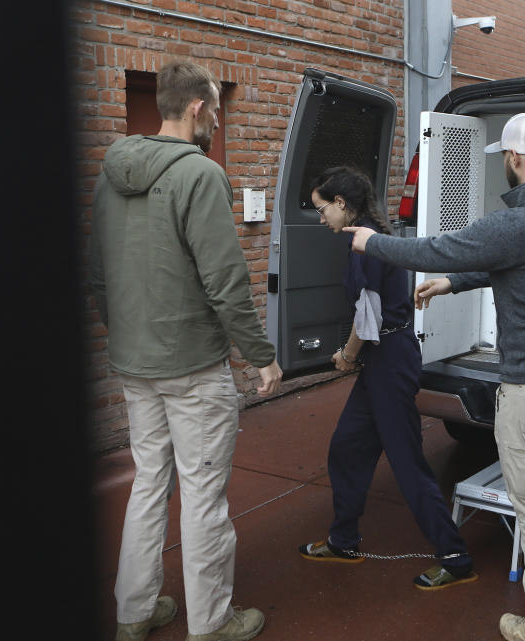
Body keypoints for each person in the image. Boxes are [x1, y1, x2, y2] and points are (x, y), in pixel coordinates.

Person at [343, 113, 525, 641]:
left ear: (514, 159)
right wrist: (452, 283)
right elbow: (519, 263)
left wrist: (370, 242)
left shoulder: (513, 223)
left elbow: (433, 249)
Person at [90, 60, 283, 641]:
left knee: (149, 484)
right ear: (197, 108)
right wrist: (260, 354)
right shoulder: (201, 175)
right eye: (217, 110)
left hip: (134, 362)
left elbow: (98, 275)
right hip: (194, 367)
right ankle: (213, 622)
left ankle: (134, 611)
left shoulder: (109, 175)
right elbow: (225, 281)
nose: (218, 121)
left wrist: (125, 334)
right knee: (203, 494)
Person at [297, 166, 476, 590]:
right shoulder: (365, 237)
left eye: (322, 209)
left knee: (406, 462)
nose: (320, 218)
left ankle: (455, 558)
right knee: (347, 446)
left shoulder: (369, 245)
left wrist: (346, 354)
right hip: (383, 359)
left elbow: (369, 315)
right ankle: (343, 540)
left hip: (389, 358)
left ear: (342, 204)